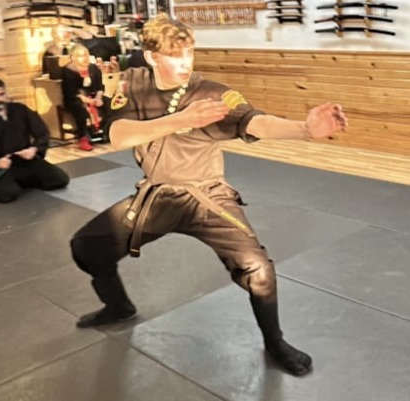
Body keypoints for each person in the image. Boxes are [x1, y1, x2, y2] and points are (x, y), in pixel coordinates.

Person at [70, 14, 348, 376]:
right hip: (159, 195)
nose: (185, 62)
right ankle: (118, 306)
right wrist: (182, 120)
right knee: (86, 247)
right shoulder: (133, 82)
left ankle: (275, 341)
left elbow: (253, 121)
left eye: (189, 52)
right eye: (174, 55)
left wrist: (305, 129)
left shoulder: (211, 92)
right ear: (151, 56)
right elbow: (119, 135)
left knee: (259, 271)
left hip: (207, 196)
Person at [0, 78, 70, 203]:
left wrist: (33, 149)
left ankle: (22, 180)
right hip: (2, 166)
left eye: (1, 94)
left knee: (60, 179)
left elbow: (42, 132)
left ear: (6, 93)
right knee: (8, 195)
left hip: (24, 160)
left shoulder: (20, 109)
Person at [61, 44, 108, 151]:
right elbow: (72, 92)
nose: (85, 58)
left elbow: (100, 86)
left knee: (109, 103)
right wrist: (90, 101)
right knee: (80, 109)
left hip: (94, 95)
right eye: (80, 56)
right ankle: (84, 138)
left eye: (86, 55)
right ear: (73, 58)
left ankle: (106, 132)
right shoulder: (68, 70)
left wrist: (98, 98)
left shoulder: (93, 68)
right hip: (75, 98)